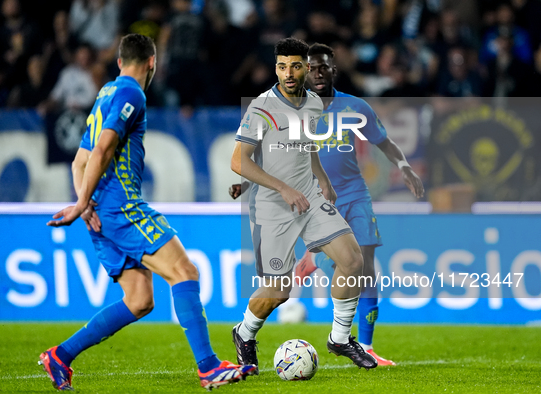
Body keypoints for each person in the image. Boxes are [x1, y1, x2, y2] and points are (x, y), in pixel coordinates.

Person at [39, 33, 257, 391]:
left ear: (119, 60)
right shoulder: (131, 94)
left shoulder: (105, 93)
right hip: (121, 207)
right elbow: (104, 148)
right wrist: (83, 204)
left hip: (102, 211)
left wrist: (86, 199)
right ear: (152, 63)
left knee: (139, 300)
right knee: (184, 271)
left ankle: (60, 355)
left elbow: (80, 160)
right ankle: (208, 367)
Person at [230, 37, 378, 372]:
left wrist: (321, 177)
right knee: (280, 290)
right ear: (276, 68)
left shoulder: (313, 103)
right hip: (272, 204)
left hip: (308, 196)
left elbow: (306, 145)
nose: (289, 73)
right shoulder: (261, 107)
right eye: (282, 66)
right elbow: (239, 161)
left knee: (353, 260)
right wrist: (282, 188)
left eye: (296, 66)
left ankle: (340, 339)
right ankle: (244, 332)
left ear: (306, 68)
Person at [299, 43, 424, 365]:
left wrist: (405, 167)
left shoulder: (355, 107)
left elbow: (384, 141)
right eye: (312, 68)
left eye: (323, 67)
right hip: (316, 198)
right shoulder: (294, 110)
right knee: (345, 264)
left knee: (367, 270)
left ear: (333, 70)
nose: (318, 73)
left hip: (354, 193)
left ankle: (365, 346)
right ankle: (318, 259)